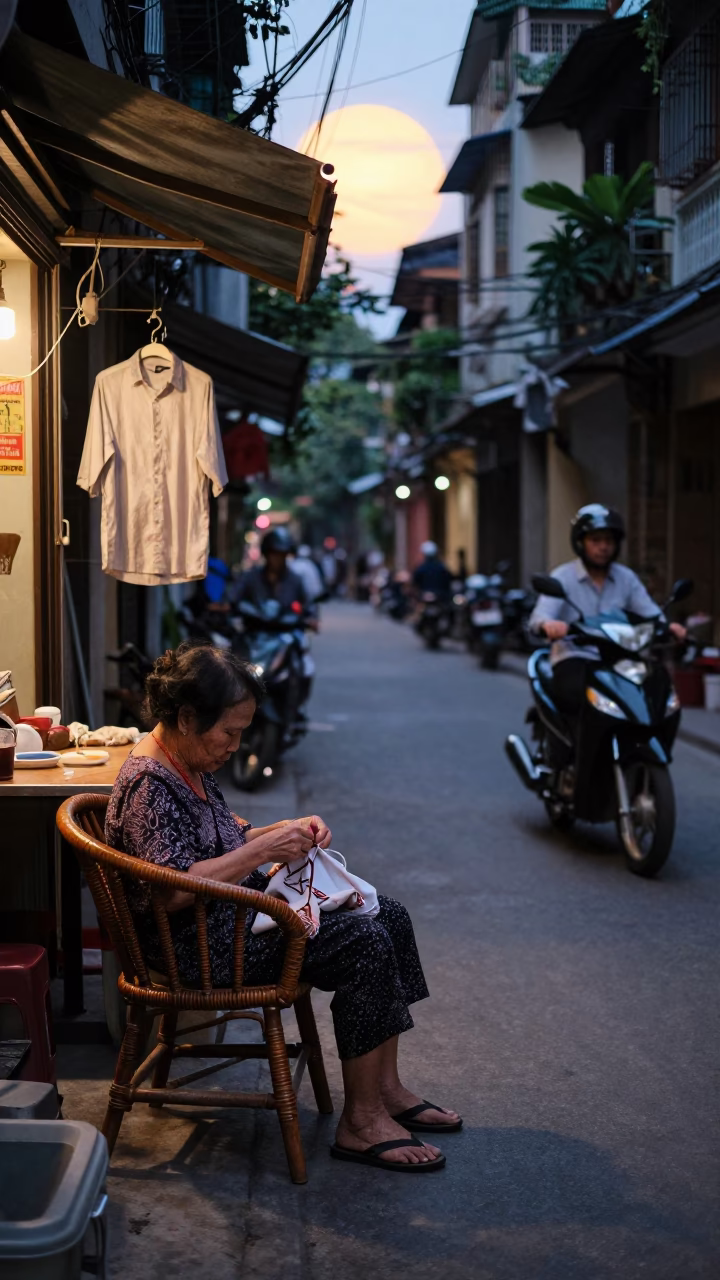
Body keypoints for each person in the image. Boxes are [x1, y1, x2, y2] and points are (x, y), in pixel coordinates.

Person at [105, 642, 460, 1171]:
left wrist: (284, 831)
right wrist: (263, 851)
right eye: (230, 731)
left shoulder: (187, 763)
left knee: (386, 914)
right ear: (185, 718)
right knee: (362, 943)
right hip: (201, 949)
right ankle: (361, 1123)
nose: (237, 744)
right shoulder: (148, 785)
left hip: (233, 920)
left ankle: (385, 1090)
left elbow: (226, 836)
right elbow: (174, 889)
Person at [529, 504, 686, 713]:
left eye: (609, 541)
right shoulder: (563, 577)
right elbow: (540, 616)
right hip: (576, 657)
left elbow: (650, 612)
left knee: (655, 694)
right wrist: (548, 625)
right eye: (596, 540)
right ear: (581, 543)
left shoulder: (626, 578)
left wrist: (669, 627)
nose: (603, 547)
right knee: (575, 698)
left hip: (621, 659)